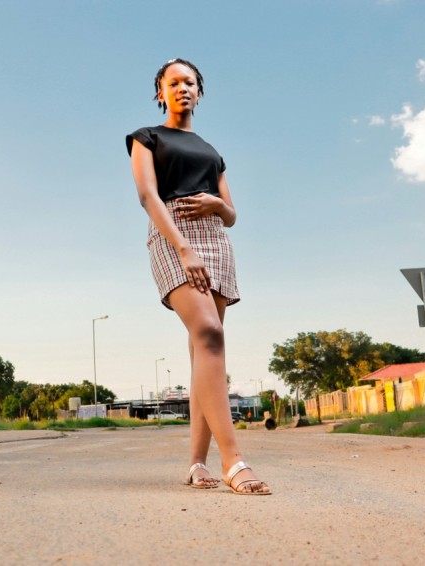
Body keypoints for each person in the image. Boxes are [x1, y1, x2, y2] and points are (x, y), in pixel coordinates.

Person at [126, 58, 271, 495]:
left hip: (215, 240)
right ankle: (235, 461)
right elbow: (147, 196)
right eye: (173, 82)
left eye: (190, 82)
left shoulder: (213, 151)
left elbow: (232, 215)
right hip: (174, 236)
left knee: (203, 352)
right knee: (209, 334)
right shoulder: (146, 138)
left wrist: (214, 204)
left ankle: (196, 464)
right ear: (160, 91)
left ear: (199, 92)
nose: (182, 88)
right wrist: (184, 248)